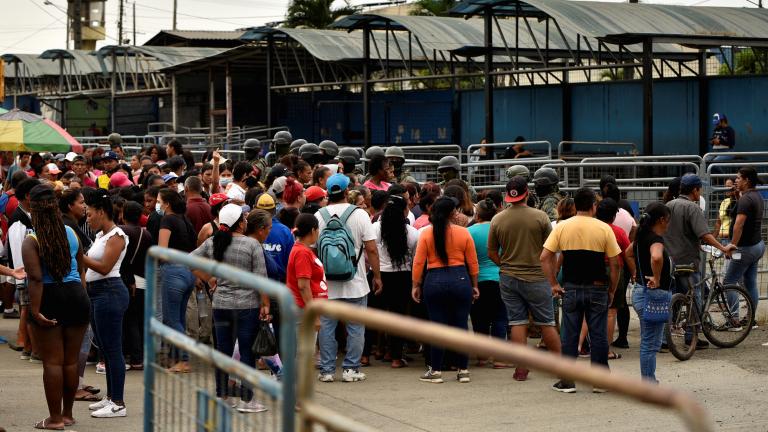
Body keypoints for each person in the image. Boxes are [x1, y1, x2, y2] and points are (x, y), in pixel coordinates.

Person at [192, 204, 271, 413]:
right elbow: (261, 278)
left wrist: (209, 280)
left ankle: (223, 396)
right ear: (240, 223)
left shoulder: (213, 241)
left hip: (221, 305)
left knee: (222, 351)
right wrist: (266, 304)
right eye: (244, 219)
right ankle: (247, 400)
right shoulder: (252, 245)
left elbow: (190, 260)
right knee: (247, 352)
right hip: (248, 306)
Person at [541, 187, 621, 393]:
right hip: (597, 288)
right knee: (598, 335)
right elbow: (615, 264)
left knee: (569, 334)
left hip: (571, 288)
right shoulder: (604, 228)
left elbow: (544, 257)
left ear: (575, 205)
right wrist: (611, 288)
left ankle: (567, 381)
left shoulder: (562, 227)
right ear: (594, 205)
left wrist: (553, 284)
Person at [22, 184, 87, 430]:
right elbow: (81, 268)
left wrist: (36, 311)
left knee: (52, 362)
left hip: (49, 297)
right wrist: (79, 292)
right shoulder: (71, 232)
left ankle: (55, 419)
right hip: (77, 297)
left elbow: (36, 278)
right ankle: (67, 414)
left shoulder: (32, 240)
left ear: (33, 209)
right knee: (70, 362)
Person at [488, 178, 560, 381]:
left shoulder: (498, 219)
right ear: (526, 193)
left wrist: (504, 265)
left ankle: (521, 368)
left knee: (517, 322)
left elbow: (492, 251)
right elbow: (550, 250)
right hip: (537, 277)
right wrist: (552, 277)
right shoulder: (541, 217)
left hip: (509, 278)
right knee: (546, 322)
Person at [315, 174, 382, 383]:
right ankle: (351, 369)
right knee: (355, 327)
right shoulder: (360, 215)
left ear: (328, 192)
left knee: (327, 327)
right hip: (356, 281)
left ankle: (326, 370)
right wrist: (377, 276)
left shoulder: (319, 215)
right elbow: (371, 248)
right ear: (347, 192)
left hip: (327, 284)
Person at [412, 196, 479, 384]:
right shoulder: (464, 233)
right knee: (461, 326)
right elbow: (472, 262)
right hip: (460, 278)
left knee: (437, 327)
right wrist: (474, 285)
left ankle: (436, 370)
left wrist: (415, 285)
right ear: (452, 213)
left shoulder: (426, 233)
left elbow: (418, 262)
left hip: (434, 279)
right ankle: (463, 369)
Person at [663, 173, 735, 349]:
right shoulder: (692, 208)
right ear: (695, 190)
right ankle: (691, 336)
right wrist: (723, 247)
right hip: (688, 263)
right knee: (695, 300)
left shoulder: (669, 205)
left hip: (670, 262)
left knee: (673, 301)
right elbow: (704, 234)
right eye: (700, 189)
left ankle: (664, 340)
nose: (700, 192)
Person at [82, 189, 130, 418]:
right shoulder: (101, 236)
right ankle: (111, 397)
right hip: (98, 294)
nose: (87, 219)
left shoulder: (117, 236)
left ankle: (118, 403)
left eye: (90, 214)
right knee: (105, 348)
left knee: (113, 350)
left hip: (109, 293)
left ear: (101, 212)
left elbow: (104, 267)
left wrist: (77, 255)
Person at [624, 202, 672, 383]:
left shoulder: (640, 237)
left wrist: (636, 272)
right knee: (650, 344)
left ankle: (648, 380)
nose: (668, 225)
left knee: (649, 341)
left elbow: (628, 253)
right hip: (653, 294)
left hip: (641, 291)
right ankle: (648, 383)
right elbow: (657, 257)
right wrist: (657, 278)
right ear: (661, 220)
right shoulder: (655, 240)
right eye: (668, 221)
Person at [373, 193, 419, 368]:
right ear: (403, 211)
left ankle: (377, 351)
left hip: (381, 275)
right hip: (403, 276)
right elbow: (415, 259)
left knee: (379, 314)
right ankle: (396, 357)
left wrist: (375, 275)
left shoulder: (376, 228)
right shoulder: (413, 233)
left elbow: (371, 251)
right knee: (398, 316)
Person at [156, 189, 198, 372]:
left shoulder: (167, 220)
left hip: (172, 271)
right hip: (188, 271)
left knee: (171, 319)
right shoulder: (185, 220)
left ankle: (184, 359)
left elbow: (162, 250)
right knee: (178, 318)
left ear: (167, 204)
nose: (158, 205)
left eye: (159, 201)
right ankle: (178, 358)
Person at [468, 198, 508, 368]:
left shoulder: (469, 232)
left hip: (477, 280)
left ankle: (482, 356)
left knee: (479, 317)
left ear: (477, 215)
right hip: (499, 277)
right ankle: (499, 358)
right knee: (500, 317)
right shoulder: (501, 229)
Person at [590, 198, 631, 361]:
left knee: (592, 311)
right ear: (614, 216)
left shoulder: (592, 229)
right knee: (611, 312)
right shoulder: (618, 231)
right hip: (615, 269)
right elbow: (628, 253)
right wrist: (634, 272)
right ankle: (605, 350)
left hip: (593, 269)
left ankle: (587, 345)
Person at [723, 167, 764, 318]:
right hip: (757, 246)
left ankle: (734, 319)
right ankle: (750, 319)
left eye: (739, 178)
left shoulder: (746, 199)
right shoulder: (755, 195)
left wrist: (732, 246)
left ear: (746, 180)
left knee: (729, 282)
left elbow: (739, 225)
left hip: (745, 248)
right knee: (750, 282)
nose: (736, 180)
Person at [8, 178, 41, 361]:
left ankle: (28, 348)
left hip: (29, 275)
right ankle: (32, 349)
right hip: (25, 275)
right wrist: (22, 278)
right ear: (28, 196)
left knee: (28, 311)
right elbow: (17, 251)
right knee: (28, 311)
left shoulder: (27, 215)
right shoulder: (18, 221)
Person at [119, 202, 152, 371]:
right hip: (144, 281)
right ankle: (141, 357)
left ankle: (134, 357)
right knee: (139, 321)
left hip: (129, 280)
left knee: (129, 321)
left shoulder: (122, 231)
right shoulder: (146, 234)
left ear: (123, 214)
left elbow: (123, 260)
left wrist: (128, 278)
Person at [286, 213, 328, 308]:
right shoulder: (302, 252)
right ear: (313, 230)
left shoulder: (303, 249)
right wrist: (313, 314)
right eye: (318, 229)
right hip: (303, 310)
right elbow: (303, 286)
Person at [713, 177, 737, 242]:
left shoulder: (740, 201)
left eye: (729, 187)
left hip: (732, 239)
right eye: (725, 186)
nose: (726, 189)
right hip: (723, 239)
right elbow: (718, 222)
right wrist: (713, 239)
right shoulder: (725, 201)